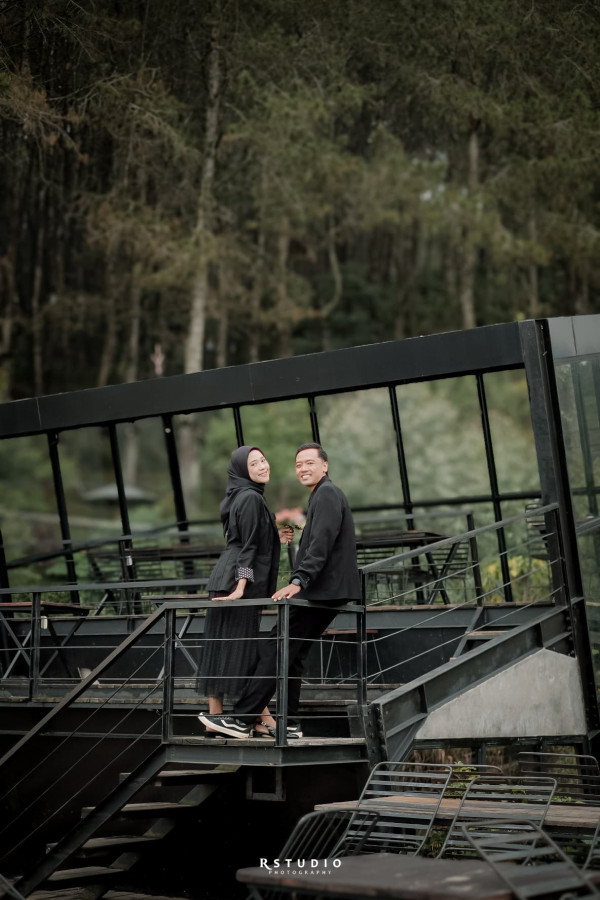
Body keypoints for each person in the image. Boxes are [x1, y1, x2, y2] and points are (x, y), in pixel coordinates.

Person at [200, 442, 362, 740]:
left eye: (309, 463)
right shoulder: (258, 497)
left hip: (320, 590)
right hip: (314, 588)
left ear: (325, 465)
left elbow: (320, 544)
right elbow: (249, 545)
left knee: (274, 648)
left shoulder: (325, 493)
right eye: (298, 464)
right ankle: (286, 722)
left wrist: (298, 580)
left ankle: (242, 720)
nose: (303, 468)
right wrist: (244, 582)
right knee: (287, 652)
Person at [197, 446, 293, 737]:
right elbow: (248, 548)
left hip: (224, 576)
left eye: (263, 459)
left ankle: (218, 718)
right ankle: (260, 719)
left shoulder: (239, 495)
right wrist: (241, 586)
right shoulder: (251, 497)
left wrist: (274, 535)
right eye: (254, 463)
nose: (263, 465)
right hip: (236, 582)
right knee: (241, 648)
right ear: (242, 470)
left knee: (222, 647)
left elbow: (243, 538)